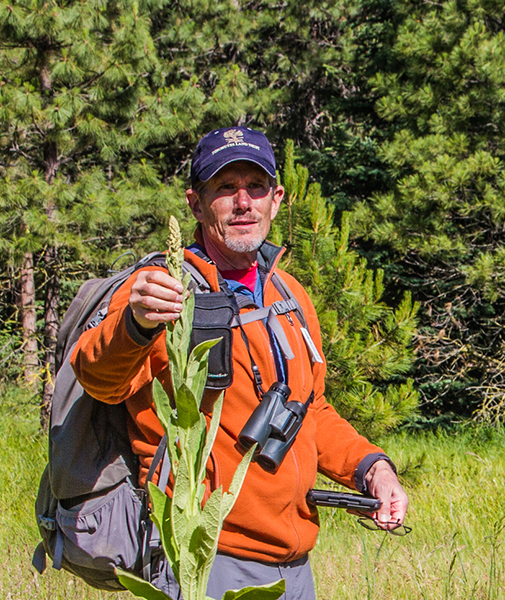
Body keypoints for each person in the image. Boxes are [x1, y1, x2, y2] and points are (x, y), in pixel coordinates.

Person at [71, 126, 409, 600]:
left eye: (255, 186)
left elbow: (311, 410)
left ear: (276, 199)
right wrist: (136, 323)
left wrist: (373, 469)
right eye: (225, 188)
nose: (243, 201)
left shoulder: (289, 295)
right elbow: (98, 377)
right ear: (196, 203)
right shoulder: (162, 289)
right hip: (205, 555)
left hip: (294, 565)